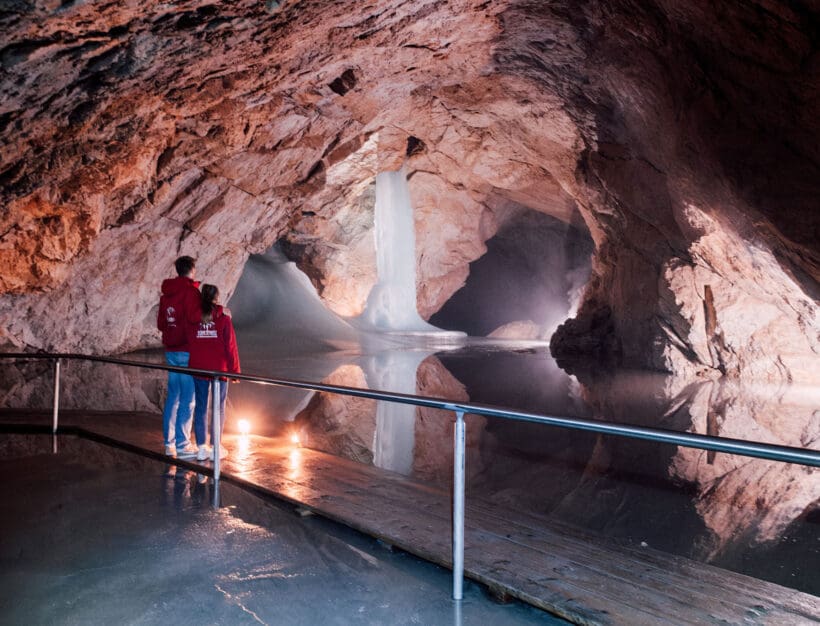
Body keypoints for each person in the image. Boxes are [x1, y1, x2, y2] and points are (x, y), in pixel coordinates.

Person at [188, 284, 241, 462]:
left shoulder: (194, 318)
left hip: (199, 367)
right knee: (218, 407)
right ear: (217, 298)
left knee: (201, 407)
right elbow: (230, 347)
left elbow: (190, 341)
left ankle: (202, 447)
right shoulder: (224, 318)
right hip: (219, 368)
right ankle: (216, 447)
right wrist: (235, 372)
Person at [157, 256, 202, 459]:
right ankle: (183, 445)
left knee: (173, 398)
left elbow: (161, 323)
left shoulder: (165, 294)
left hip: (171, 351)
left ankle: (169, 443)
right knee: (188, 399)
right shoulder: (191, 292)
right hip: (187, 350)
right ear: (192, 270)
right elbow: (195, 319)